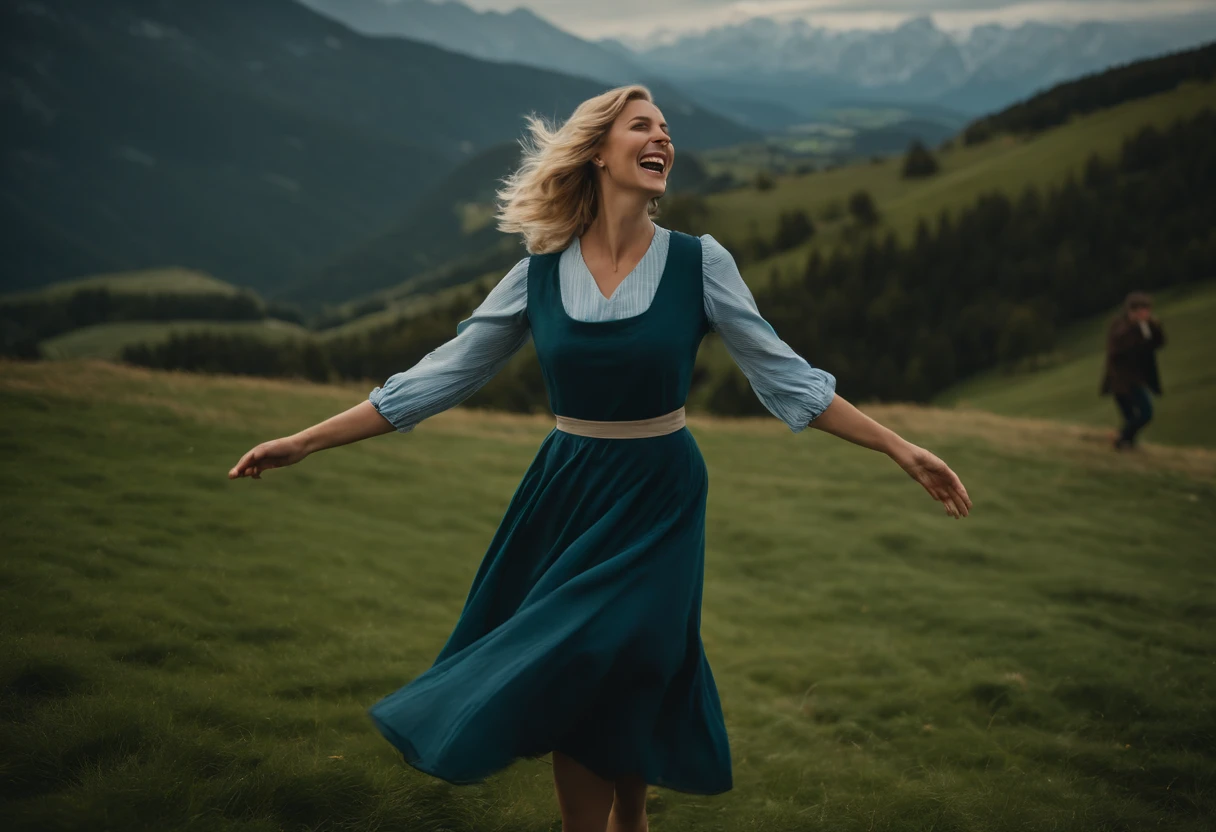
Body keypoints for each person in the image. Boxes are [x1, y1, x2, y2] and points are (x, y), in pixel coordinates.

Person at [228, 85, 971, 832]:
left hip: (661, 491)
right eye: (641, 127)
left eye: (666, 130)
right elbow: (439, 376)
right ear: (597, 151)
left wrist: (899, 447)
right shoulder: (539, 271)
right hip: (569, 491)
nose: (662, 140)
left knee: (632, 654)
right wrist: (304, 439)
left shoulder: (699, 262)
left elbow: (787, 374)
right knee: (586, 663)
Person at [1100, 290, 1166, 450]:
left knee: (1135, 416)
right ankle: (1122, 439)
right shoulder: (1120, 326)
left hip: (1136, 378)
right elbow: (1117, 350)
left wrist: (1154, 326)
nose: (1146, 314)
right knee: (1143, 413)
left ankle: (1125, 442)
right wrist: (1135, 328)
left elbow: (1157, 343)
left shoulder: (1146, 326)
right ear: (1132, 311)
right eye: (1143, 310)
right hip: (1121, 379)